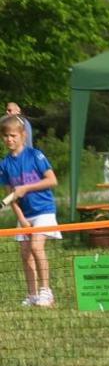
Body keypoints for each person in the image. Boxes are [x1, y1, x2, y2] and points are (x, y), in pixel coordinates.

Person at [0, 114, 60, 307]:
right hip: (25, 215)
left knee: (36, 247)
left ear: (23, 135)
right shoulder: (4, 165)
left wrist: (26, 188)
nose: (9, 139)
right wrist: (22, 219)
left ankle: (46, 292)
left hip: (44, 210)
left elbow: (52, 180)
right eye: (6, 136)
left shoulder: (35, 155)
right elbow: (11, 196)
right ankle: (32, 294)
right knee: (25, 253)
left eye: (13, 135)